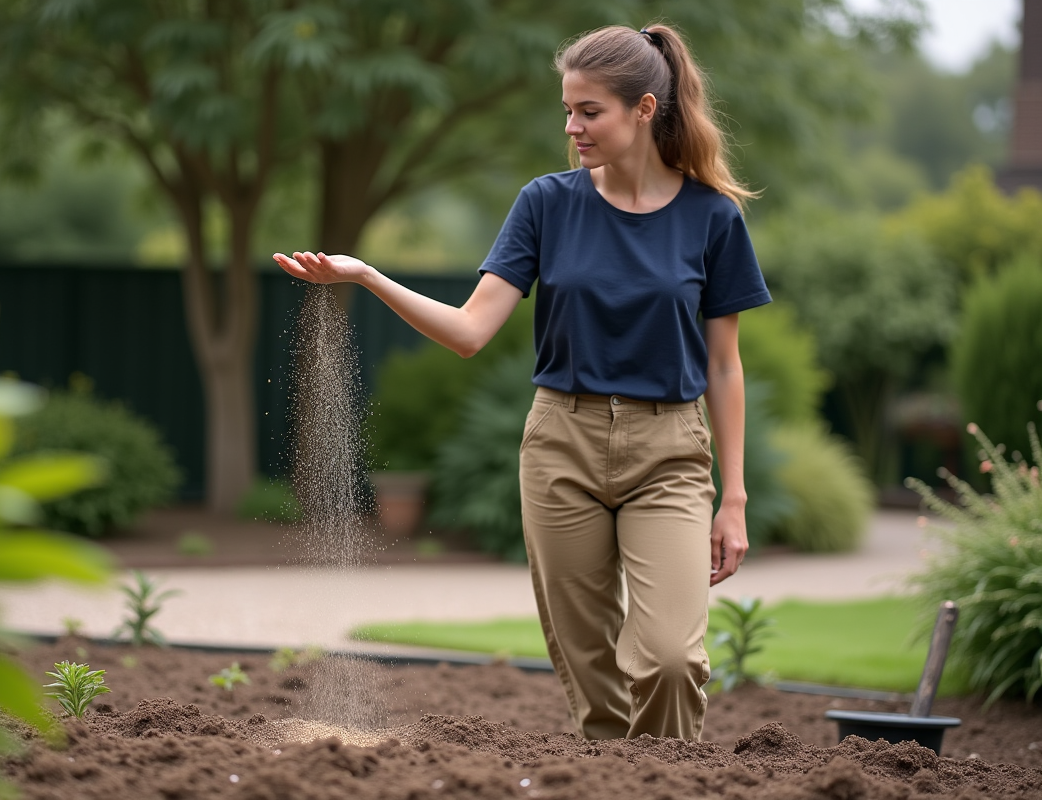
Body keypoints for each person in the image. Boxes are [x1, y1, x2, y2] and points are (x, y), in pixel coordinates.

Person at [273, 23, 770, 742]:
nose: (572, 127)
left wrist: (736, 497)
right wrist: (368, 275)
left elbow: (725, 364)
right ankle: (611, 781)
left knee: (667, 659)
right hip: (560, 444)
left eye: (589, 111)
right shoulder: (547, 203)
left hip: (669, 450)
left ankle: (666, 780)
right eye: (567, 110)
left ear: (644, 109)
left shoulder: (712, 218)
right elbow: (472, 332)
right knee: (590, 663)